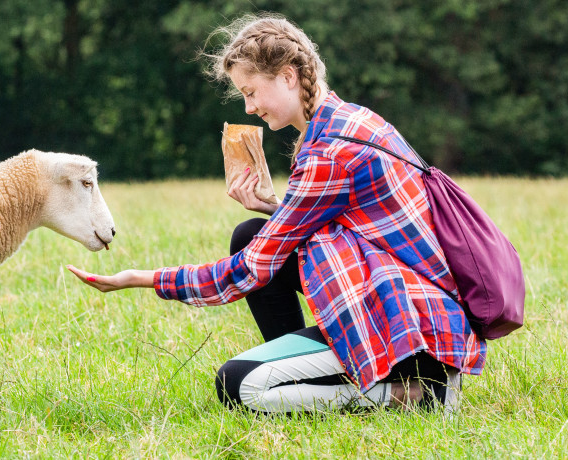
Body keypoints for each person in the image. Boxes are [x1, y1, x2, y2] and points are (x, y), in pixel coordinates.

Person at [67, 13, 485, 414]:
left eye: (250, 92)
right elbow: (351, 225)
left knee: (238, 385)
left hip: (411, 333)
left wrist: (140, 278)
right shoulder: (350, 119)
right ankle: (319, 375)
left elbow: (248, 271)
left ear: (288, 75)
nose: (248, 108)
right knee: (251, 230)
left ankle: (414, 395)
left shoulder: (327, 153)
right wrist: (274, 206)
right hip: (420, 312)